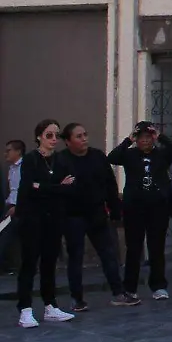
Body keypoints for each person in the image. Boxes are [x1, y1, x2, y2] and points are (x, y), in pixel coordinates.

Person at [56, 123, 136, 311]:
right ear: (68, 141)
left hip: (97, 213)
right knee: (75, 257)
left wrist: (115, 209)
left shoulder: (97, 156)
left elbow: (110, 183)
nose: (84, 139)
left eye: (85, 134)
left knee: (108, 254)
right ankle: (77, 299)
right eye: (78, 136)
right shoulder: (61, 160)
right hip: (73, 216)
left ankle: (118, 293)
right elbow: (56, 188)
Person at [108, 121, 172, 301]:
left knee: (156, 247)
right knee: (133, 247)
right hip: (134, 207)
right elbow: (112, 157)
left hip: (158, 207)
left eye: (148, 137)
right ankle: (130, 287)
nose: (145, 141)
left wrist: (160, 136)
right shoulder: (129, 154)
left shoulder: (161, 154)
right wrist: (128, 140)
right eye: (141, 137)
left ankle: (158, 285)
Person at [15, 120, 76, 328]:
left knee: (49, 263)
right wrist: (57, 187)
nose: (53, 139)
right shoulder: (31, 159)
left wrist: (45, 187)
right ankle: (25, 308)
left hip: (54, 218)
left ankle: (50, 305)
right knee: (29, 263)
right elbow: (30, 188)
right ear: (39, 136)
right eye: (49, 135)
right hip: (32, 219)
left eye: (56, 135)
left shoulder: (61, 160)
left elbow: (70, 187)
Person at [1, 140, 25, 274]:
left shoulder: (24, 167)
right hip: (10, 207)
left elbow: (25, 190)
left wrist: (17, 206)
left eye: (8, 151)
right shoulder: (11, 168)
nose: (6, 154)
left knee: (5, 235)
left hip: (19, 208)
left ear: (18, 151)